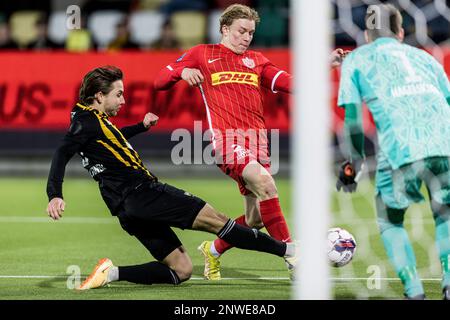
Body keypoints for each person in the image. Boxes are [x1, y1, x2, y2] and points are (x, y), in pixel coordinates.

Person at [46, 65, 297, 290]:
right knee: (219, 222)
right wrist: (55, 194)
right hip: (144, 193)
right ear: (99, 96)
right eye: (118, 94)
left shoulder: (89, 120)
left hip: (126, 210)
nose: (123, 100)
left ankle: (111, 273)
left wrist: (140, 127)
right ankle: (289, 250)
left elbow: (110, 139)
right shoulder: (85, 123)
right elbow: (61, 152)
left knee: (181, 270)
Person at [154, 3, 347, 280]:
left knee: (256, 218)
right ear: (224, 29)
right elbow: (160, 80)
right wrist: (182, 72)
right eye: (241, 31)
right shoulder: (202, 54)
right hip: (227, 140)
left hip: (257, 141)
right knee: (266, 183)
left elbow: (295, 84)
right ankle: (293, 255)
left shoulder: (257, 60)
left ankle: (214, 250)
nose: (246, 37)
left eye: (250, 33)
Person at [336, 4, 450, 300]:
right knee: (445, 214)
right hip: (445, 144)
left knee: (390, 220)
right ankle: (449, 284)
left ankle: (414, 291)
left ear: (366, 34)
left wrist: (354, 162)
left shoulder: (358, 58)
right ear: (401, 32)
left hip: (400, 148)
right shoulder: (425, 57)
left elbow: (353, 121)